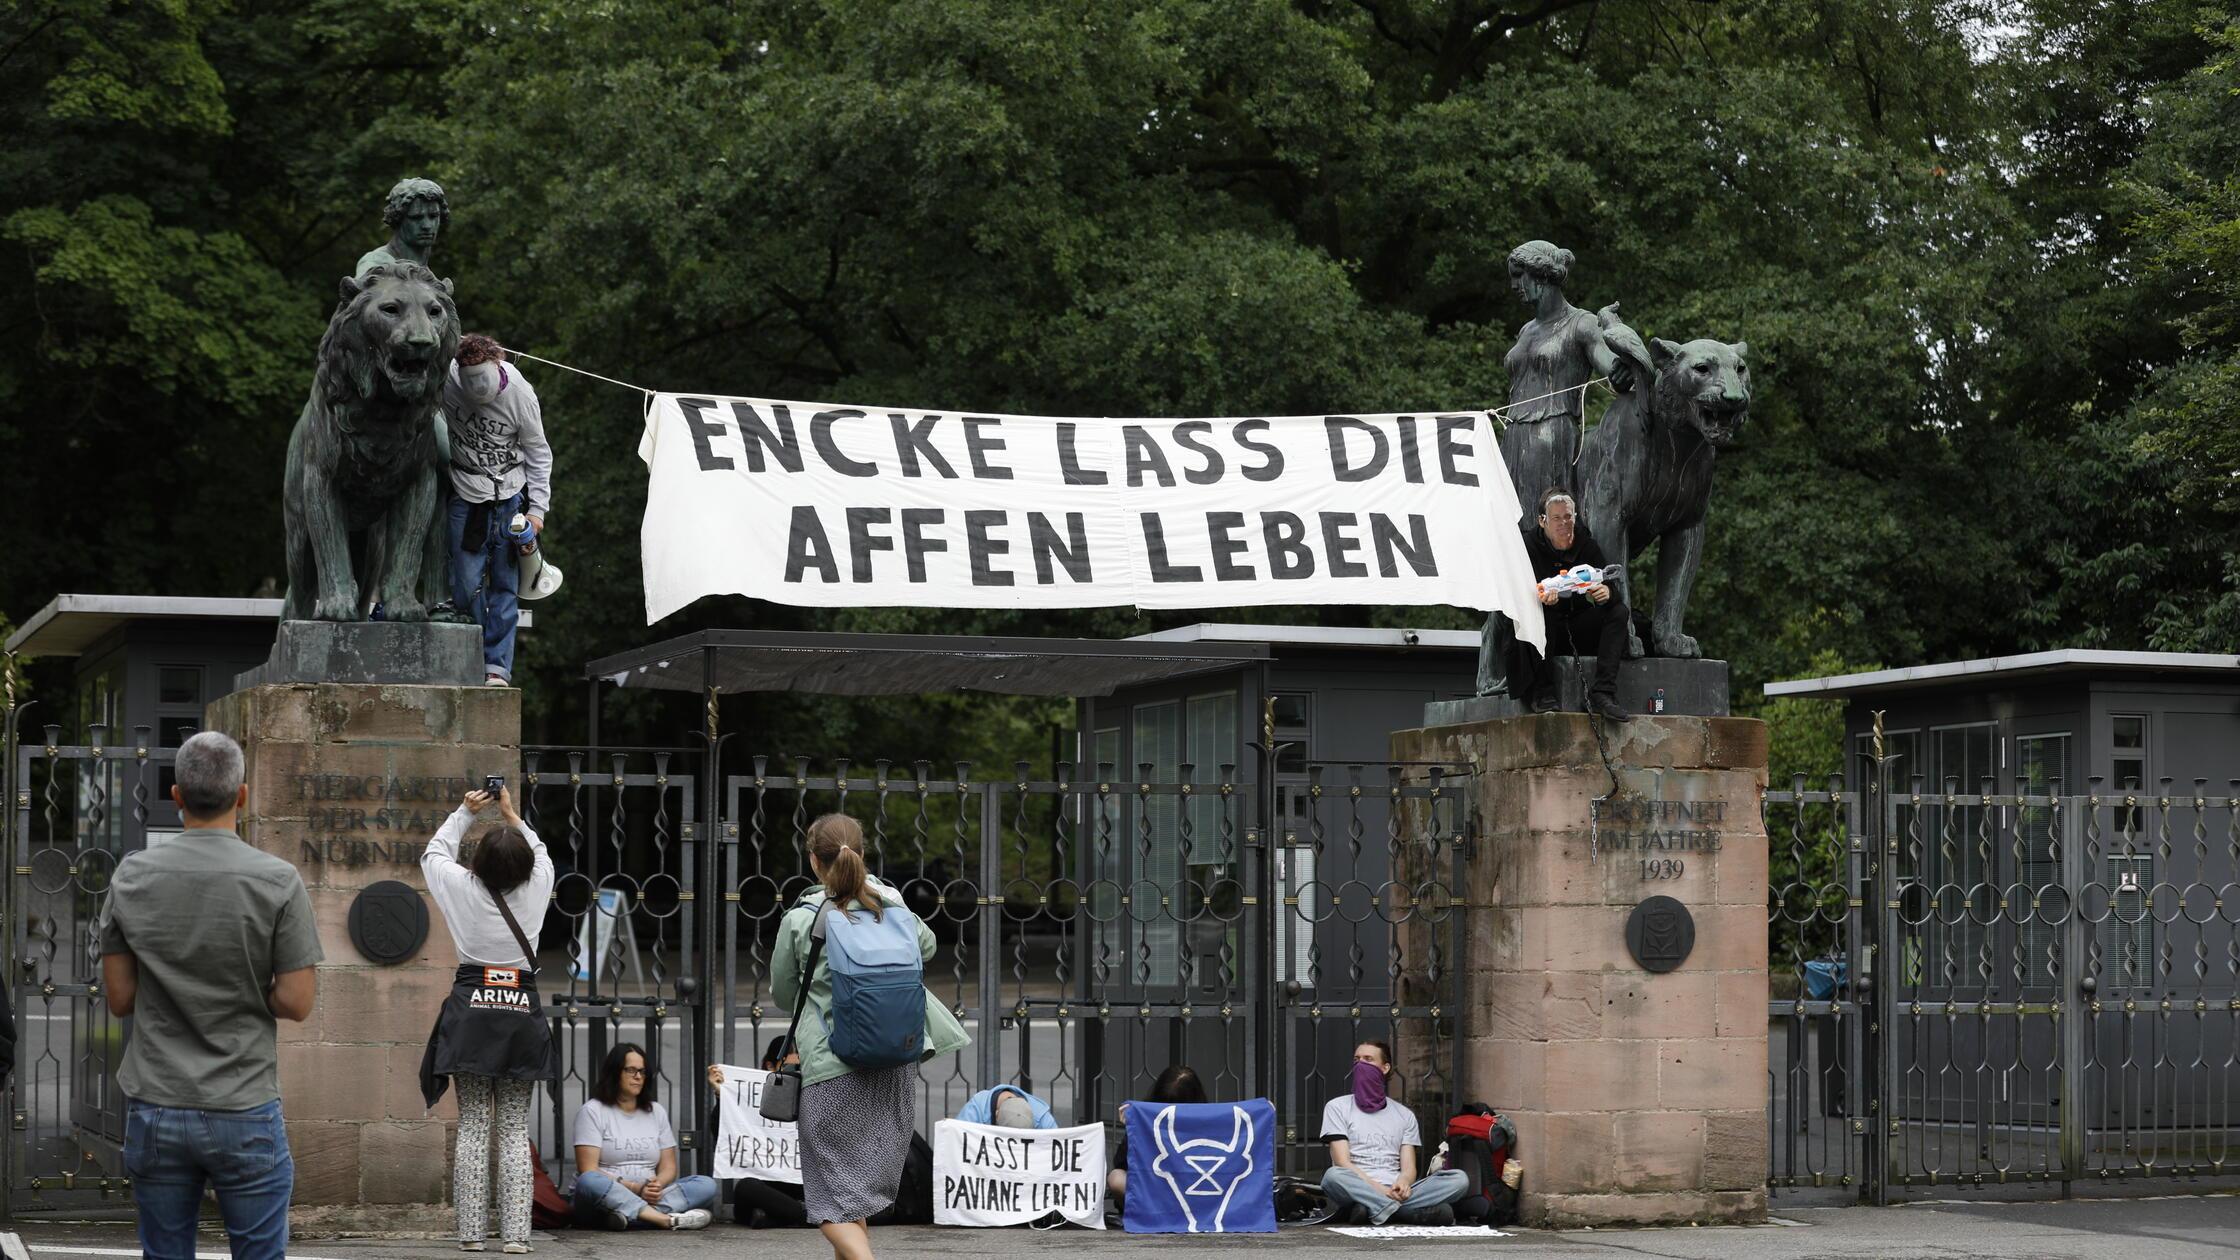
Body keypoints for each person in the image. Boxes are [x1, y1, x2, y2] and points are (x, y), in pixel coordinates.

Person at [97, 732, 321, 1260]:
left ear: (176, 796)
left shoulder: (132, 876)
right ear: (242, 796)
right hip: (243, 1100)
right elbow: (296, 1001)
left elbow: (121, 998)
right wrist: (250, 990)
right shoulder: (278, 881)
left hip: (157, 1101)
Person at [774, 814, 970, 1260]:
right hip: (895, 1063)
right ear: (861, 854)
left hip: (831, 1066)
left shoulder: (803, 920)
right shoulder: (892, 905)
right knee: (854, 1198)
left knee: (830, 1201)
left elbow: (786, 995)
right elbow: (926, 947)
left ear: (813, 860)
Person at [418, 785, 558, 1253]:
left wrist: (465, 811)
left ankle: (471, 1234)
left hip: (472, 1009)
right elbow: (539, 851)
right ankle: (517, 1235)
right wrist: (511, 814)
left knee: (475, 1122)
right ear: (523, 868)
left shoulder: (461, 887)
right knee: (515, 1127)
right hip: (519, 1008)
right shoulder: (539, 884)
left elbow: (433, 852)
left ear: (477, 864)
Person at [442, 334, 553, 687]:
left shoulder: (520, 394)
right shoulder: (445, 378)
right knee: (465, 585)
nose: (476, 387)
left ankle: (496, 668)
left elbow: (538, 452)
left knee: (506, 585)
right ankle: (471, 653)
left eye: (483, 378)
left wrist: (537, 510)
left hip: (509, 497)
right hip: (466, 491)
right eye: (469, 378)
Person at [1319, 1041, 1468, 1227]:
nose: (1360, 1065)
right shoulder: (1337, 1107)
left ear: (1385, 1067)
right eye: (1357, 1060)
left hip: (1395, 1188)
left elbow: (1408, 1167)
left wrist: (1404, 1183)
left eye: (1368, 1059)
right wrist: (1380, 1190)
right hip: (1357, 1185)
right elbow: (1342, 1162)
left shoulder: (1404, 1115)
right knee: (1332, 1177)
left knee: (1459, 1180)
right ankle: (1405, 1212)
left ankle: (1376, 1210)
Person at [571, 1044, 716, 1231]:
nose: (638, 1077)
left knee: (706, 1185)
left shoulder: (656, 1111)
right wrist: (634, 1188)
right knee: (588, 1180)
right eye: (631, 1070)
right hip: (606, 1194)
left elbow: (669, 1167)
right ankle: (665, 1219)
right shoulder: (592, 1111)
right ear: (614, 1072)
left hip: (649, 1195)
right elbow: (588, 1168)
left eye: (642, 1071)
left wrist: (656, 1186)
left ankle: (627, 1217)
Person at [1518, 489, 1631, 723]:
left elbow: (1611, 587)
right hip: (1541, 633)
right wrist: (1539, 599)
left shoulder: (1586, 545)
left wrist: (1607, 593)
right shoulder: (1526, 546)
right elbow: (1514, 593)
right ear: (1542, 521)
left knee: (1619, 612)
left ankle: (1603, 692)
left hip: (1577, 624)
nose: (1564, 523)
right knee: (1540, 615)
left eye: (1568, 517)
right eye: (1557, 518)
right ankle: (1542, 692)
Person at [709, 1038, 810, 1229]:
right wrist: (722, 1097)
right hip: (766, 1188)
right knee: (746, 1188)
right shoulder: (753, 1096)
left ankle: (778, 1218)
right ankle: (809, 1217)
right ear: (770, 1066)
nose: (796, 1074)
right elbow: (724, 1138)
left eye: (801, 1068)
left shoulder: (811, 1096)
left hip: (804, 1186)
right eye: (790, 1068)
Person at [1109, 1064, 1207, 1209]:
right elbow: (1122, 1165)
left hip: (1193, 1193)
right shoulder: (1146, 1122)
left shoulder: (1208, 1123)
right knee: (1116, 1177)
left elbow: (1120, 1163)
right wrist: (1133, 1131)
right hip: (1155, 1193)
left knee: (1116, 1176)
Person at [356, 177, 449, 277]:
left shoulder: (426, 275)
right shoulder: (376, 264)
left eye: (433, 216)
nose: (427, 226)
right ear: (397, 219)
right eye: (416, 217)